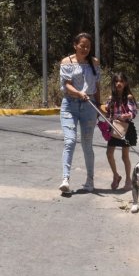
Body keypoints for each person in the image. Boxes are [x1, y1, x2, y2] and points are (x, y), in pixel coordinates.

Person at [59, 32, 101, 194]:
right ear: (75, 45)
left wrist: (99, 105)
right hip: (70, 105)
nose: (85, 49)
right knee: (70, 141)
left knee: (87, 144)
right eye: (82, 46)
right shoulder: (66, 62)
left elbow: (96, 86)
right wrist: (78, 93)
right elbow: (67, 85)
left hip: (90, 106)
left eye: (88, 46)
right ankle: (65, 179)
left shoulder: (95, 62)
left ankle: (90, 181)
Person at [101, 72, 138, 190]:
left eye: (121, 81)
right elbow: (107, 112)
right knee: (109, 153)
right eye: (116, 81)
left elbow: (133, 112)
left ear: (125, 83)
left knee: (125, 156)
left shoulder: (129, 97)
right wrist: (105, 109)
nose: (119, 84)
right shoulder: (111, 98)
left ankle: (128, 179)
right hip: (114, 128)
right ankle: (116, 176)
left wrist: (127, 115)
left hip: (125, 128)